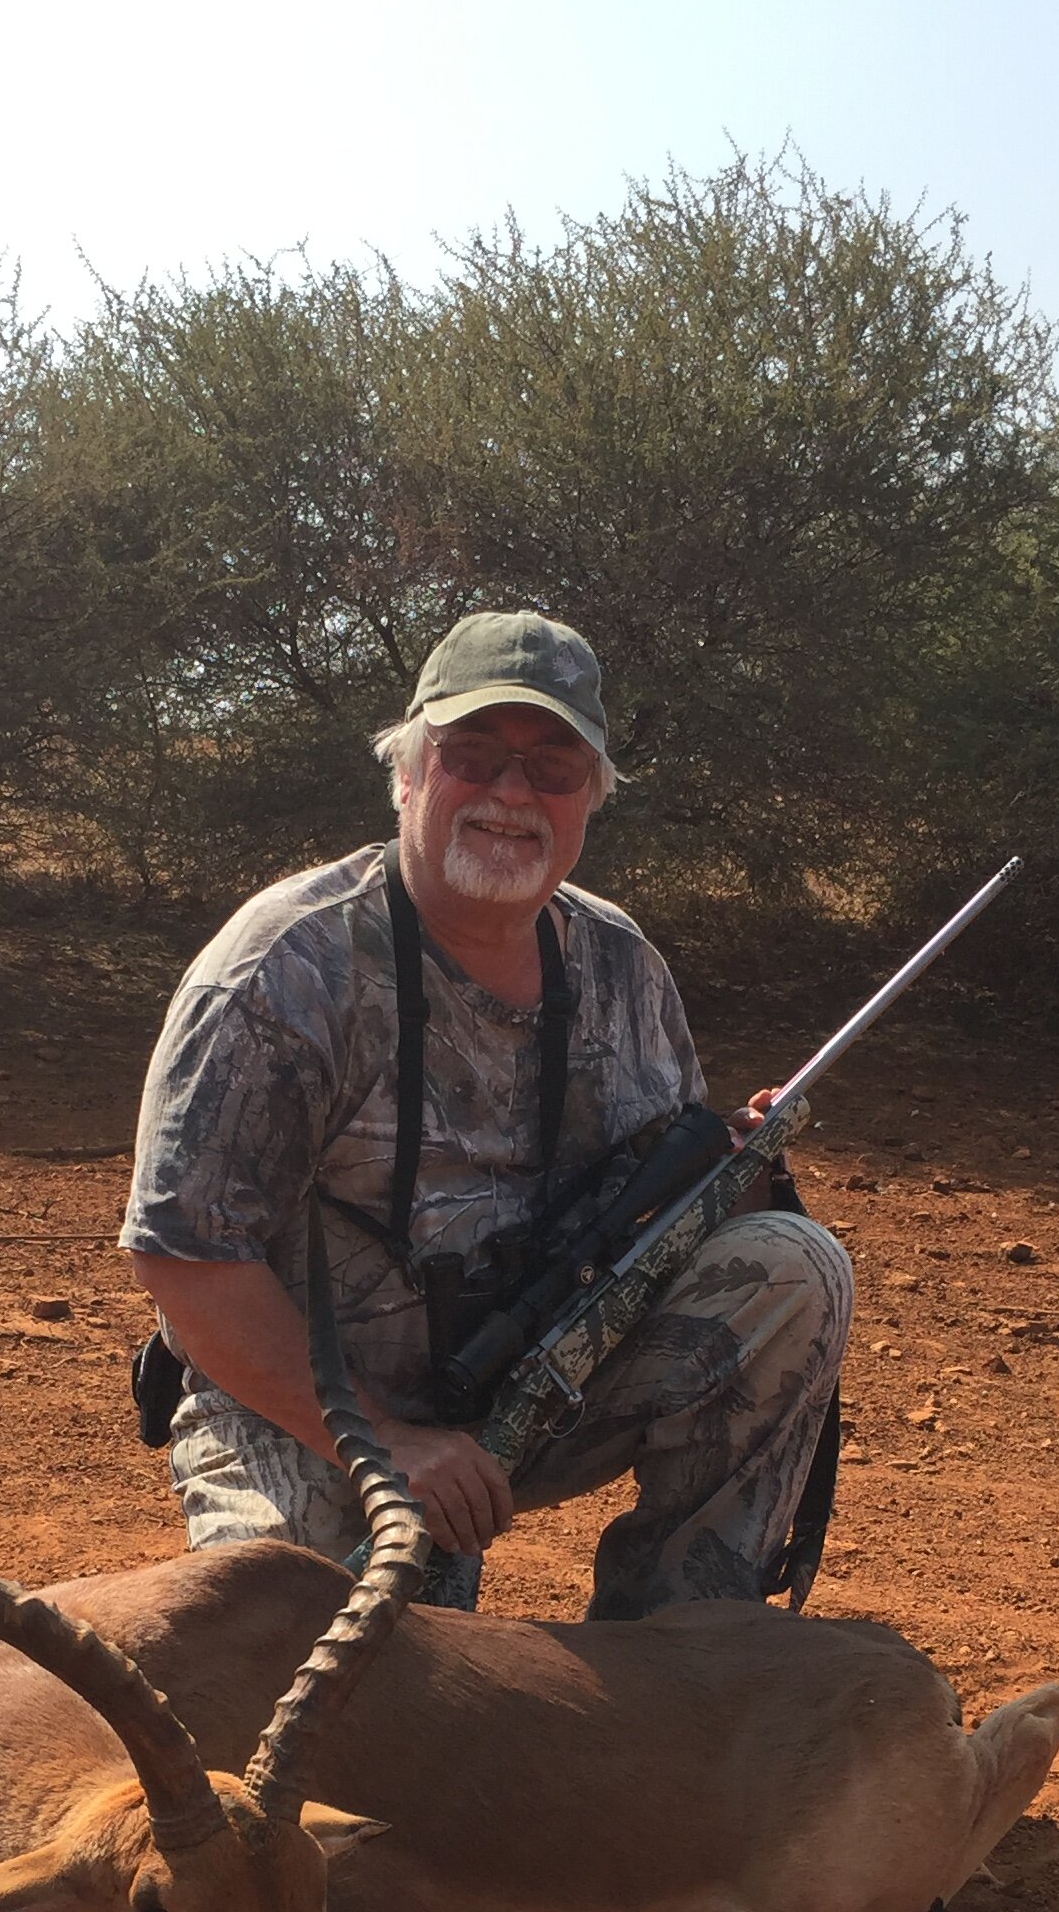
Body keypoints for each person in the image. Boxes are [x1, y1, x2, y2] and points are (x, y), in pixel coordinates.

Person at [121, 608, 854, 1619]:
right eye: (474, 756)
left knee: (796, 1265)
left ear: (591, 798)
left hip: (539, 1388)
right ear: (409, 771)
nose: (512, 793)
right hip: (304, 1412)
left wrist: (736, 1170)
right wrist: (388, 1445)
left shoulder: (621, 964)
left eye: (552, 769)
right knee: (322, 1688)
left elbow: (664, 1225)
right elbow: (181, 1259)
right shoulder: (278, 971)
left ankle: (682, 1654)